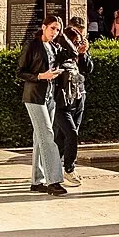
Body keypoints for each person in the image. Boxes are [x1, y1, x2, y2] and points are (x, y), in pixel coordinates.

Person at [18, 15, 67, 195]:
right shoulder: (32, 46)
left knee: (39, 139)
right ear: (44, 27)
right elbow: (20, 72)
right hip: (34, 97)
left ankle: (37, 181)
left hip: (49, 96)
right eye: (52, 28)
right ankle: (53, 181)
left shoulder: (55, 47)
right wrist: (40, 76)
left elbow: (71, 55)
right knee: (47, 135)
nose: (55, 32)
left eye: (58, 29)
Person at [51, 17, 92, 182]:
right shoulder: (59, 55)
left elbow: (88, 69)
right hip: (62, 102)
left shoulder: (79, 55)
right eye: (75, 41)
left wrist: (83, 55)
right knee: (70, 134)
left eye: (80, 40)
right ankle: (69, 168)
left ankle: (52, 168)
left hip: (78, 98)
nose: (78, 45)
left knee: (63, 137)